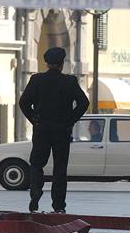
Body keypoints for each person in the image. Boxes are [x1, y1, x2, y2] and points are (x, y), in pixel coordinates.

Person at [19, 47, 89, 213]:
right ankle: (58, 205)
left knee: (36, 164)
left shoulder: (36, 80)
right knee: (60, 168)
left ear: (47, 63)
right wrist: (70, 120)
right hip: (61, 130)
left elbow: (23, 103)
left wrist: (34, 118)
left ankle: (35, 194)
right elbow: (83, 103)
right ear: (62, 63)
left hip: (41, 129)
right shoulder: (69, 81)